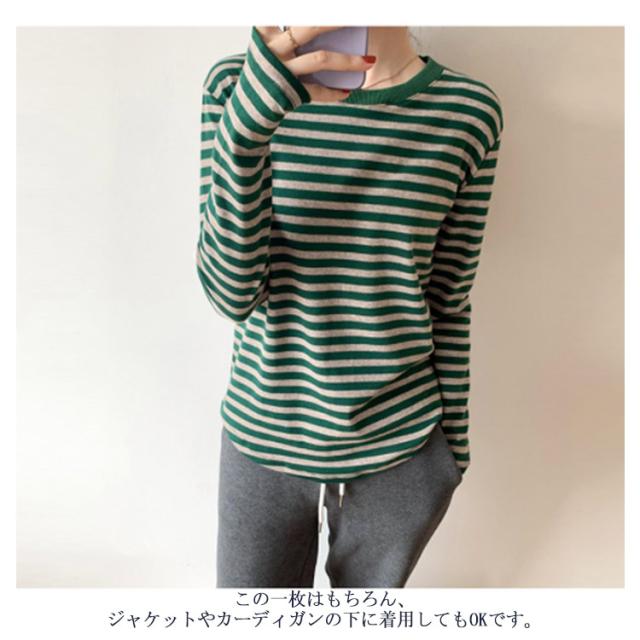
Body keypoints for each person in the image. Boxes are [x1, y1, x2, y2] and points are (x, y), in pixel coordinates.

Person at [196, 25, 503, 588]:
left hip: (402, 448)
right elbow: (231, 296)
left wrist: (450, 452)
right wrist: (243, 136)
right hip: (263, 434)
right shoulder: (236, 85)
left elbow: (449, 296)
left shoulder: (467, 111)